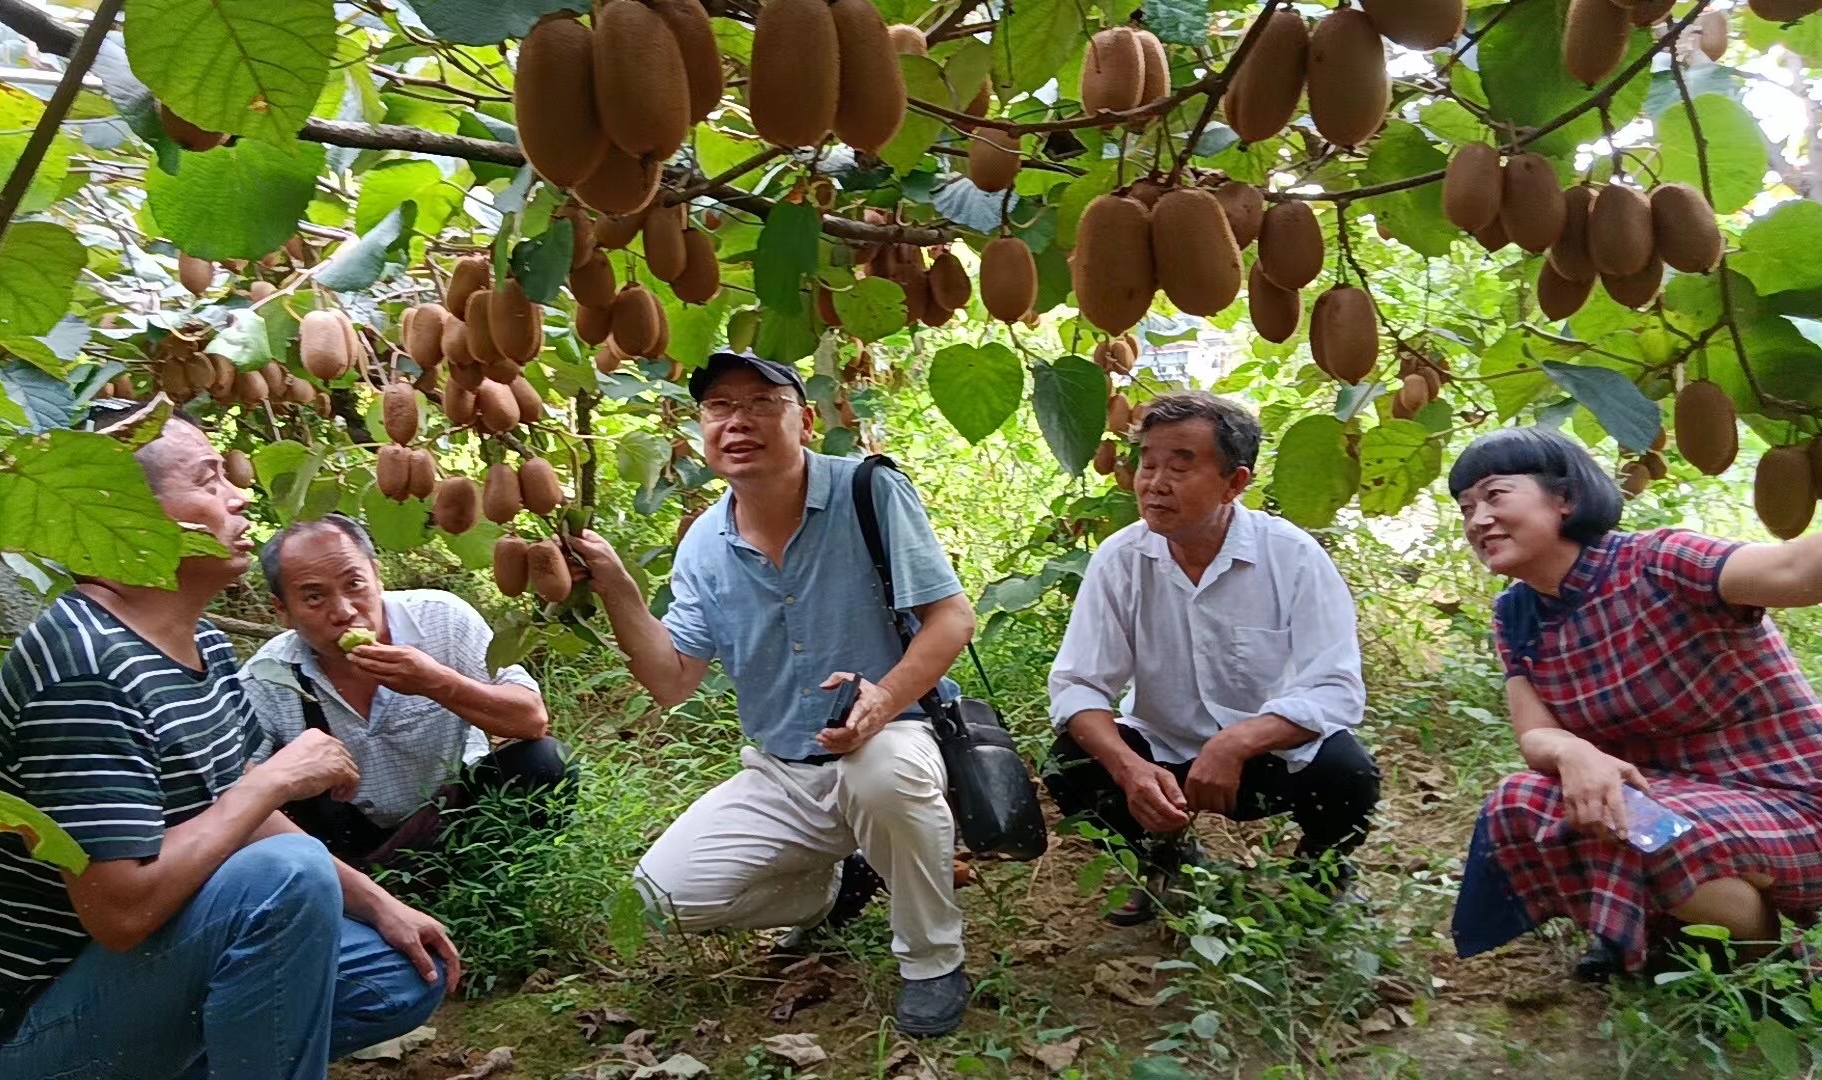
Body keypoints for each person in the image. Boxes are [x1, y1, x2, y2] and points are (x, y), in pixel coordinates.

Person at [0, 400, 457, 1080]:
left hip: (133, 989)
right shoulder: (83, 666)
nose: (239, 496)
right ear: (123, 513)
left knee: (403, 972)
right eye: (209, 480)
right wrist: (277, 778)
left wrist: (382, 904)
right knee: (285, 879)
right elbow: (120, 912)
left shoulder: (202, 638)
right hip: (19, 1041)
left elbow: (247, 815)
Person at [565, 350, 979, 1036]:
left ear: (806, 419)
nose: (739, 422)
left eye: (762, 403)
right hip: (785, 770)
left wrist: (881, 698)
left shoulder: (868, 492)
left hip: (892, 739)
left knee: (882, 774)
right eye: (720, 408)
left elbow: (951, 617)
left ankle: (932, 959)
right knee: (660, 897)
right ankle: (830, 887)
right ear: (702, 428)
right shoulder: (703, 542)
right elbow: (672, 679)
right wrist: (617, 589)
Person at [1447, 427, 1822, 980]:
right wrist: (1575, 753)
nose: (1479, 520)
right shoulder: (1516, 617)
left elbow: (1795, 572)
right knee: (1523, 801)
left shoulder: (1660, 560)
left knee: (1643, 827)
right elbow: (1534, 733)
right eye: (1466, 507)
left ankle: (1761, 963)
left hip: (1787, 799)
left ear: (1565, 498)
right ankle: (1664, 930)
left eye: (1496, 495)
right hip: (1664, 797)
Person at [1043, 391, 1380, 925]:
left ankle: (1320, 873)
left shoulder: (1291, 557)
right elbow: (1079, 684)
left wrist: (1237, 741)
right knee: (1072, 764)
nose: (1155, 483)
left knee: (1349, 773)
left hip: (1266, 757)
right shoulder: (1121, 559)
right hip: (1163, 757)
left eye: (1181, 465)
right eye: (1147, 463)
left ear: (1235, 483)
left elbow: (1336, 689)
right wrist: (1130, 769)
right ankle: (1164, 859)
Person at [240, 513, 576, 869]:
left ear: (377, 575)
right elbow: (237, 795)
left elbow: (531, 719)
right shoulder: (269, 676)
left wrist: (435, 682)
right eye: (313, 598)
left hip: (453, 810)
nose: (344, 611)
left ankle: (496, 884)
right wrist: (295, 776)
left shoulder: (441, 619)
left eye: (354, 584)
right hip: (342, 843)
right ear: (283, 611)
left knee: (545, 760)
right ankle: (357, 897)